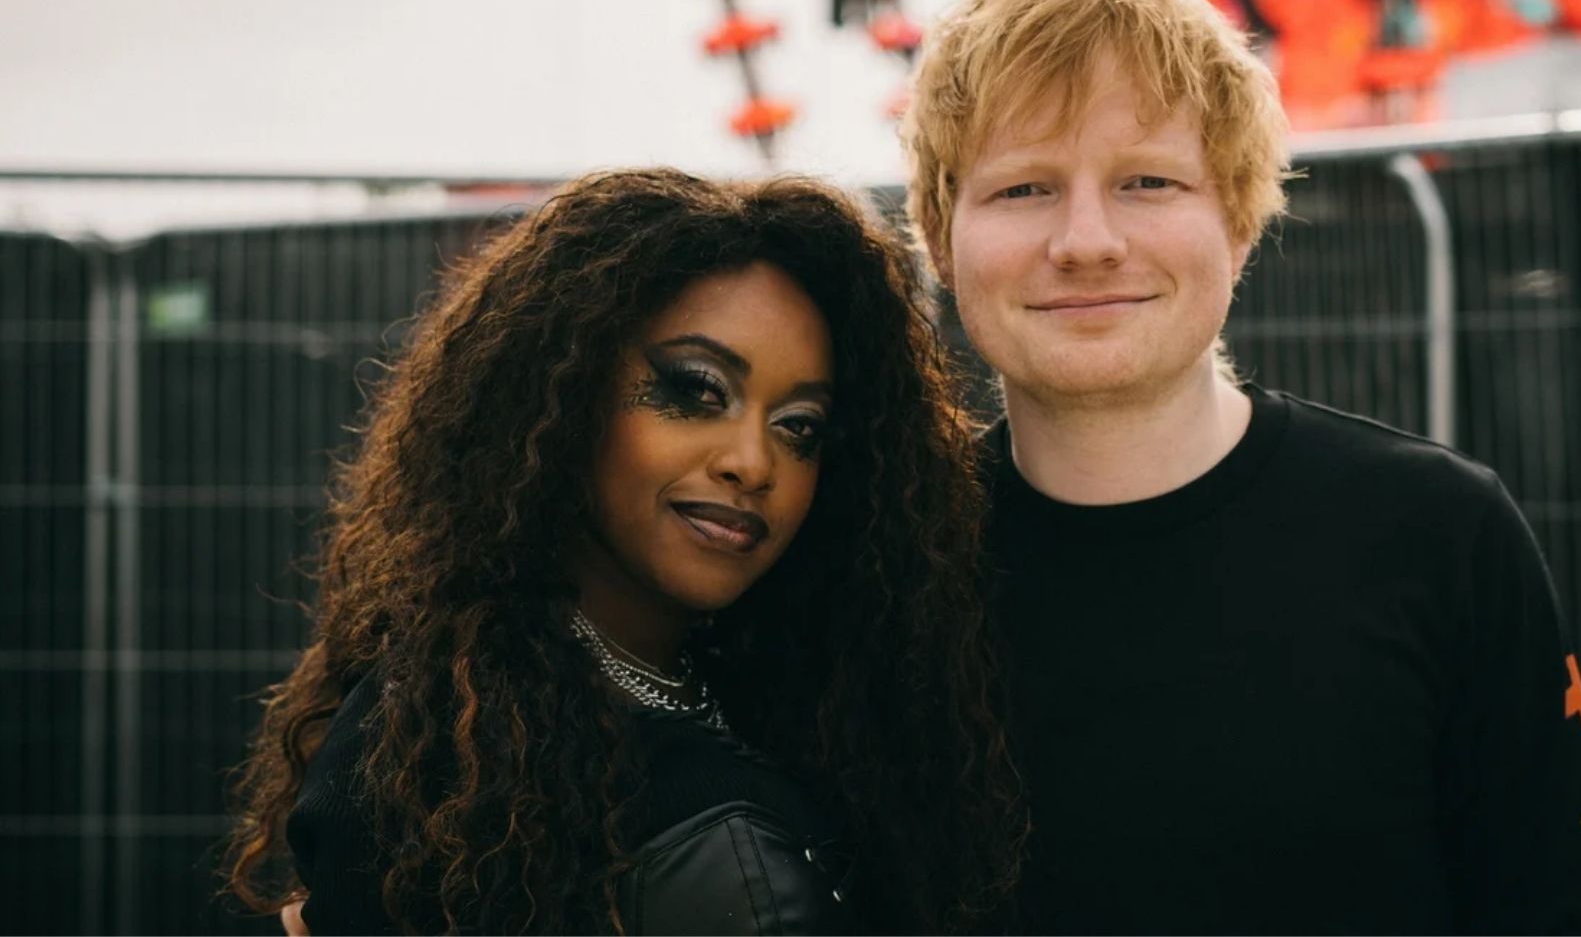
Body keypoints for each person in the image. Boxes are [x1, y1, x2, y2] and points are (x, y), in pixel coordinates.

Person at [900, 0, 1581, 934]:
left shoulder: (1441, 537)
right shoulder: (888, 574)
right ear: (941, 238)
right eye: (1024, 188)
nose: (1087, 240)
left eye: (1147, 182)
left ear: (1238, 221)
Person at [221, 170, 1026, 934]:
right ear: (563, 396)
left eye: (800, 428)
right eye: (695, 390)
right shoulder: (465, 745)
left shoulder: (762, 696)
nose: (753, 461)